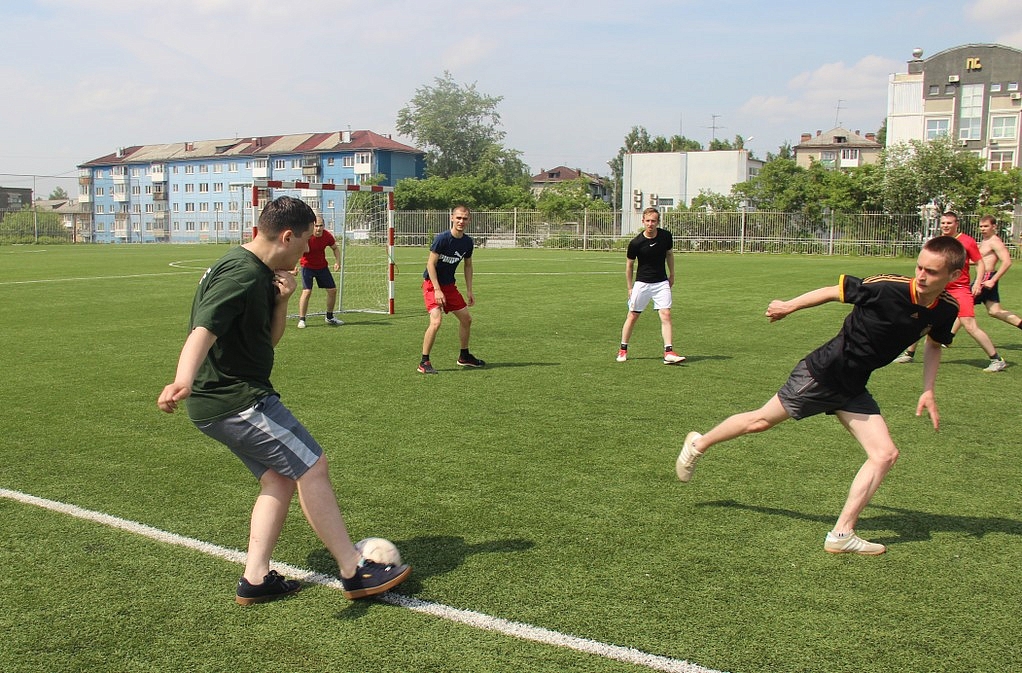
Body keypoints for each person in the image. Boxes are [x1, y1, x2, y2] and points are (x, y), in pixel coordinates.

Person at [157, 196, 410, 604]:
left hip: (224, 400)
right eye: (306, 241)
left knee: (278, 478)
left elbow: (268, 341)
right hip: (235, 399)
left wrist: (283, 301)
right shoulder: (241, 274)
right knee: (313, 465)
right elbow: (204, 329)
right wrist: (182, 379)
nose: (307, 251)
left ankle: (255, 578)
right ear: (287, 236)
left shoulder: (259, 272)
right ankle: (354, 569)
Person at [676, 236, 966, 555]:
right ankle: (698, 444)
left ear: (953, 275)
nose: (921, 276)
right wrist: (788, 306)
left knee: (885, 454)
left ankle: (841, 534)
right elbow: (833, 291)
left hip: (853, 385)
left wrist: (928, 390)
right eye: (919, 267)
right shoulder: (887, 287)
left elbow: (934, 344)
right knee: (760, 422)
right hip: (823, 373)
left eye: (931, 272)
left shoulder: (947, 309)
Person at [893, 212, 1007, 372]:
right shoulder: (937, 242)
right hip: (938, 288)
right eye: (943, 223)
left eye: (949, 223)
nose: (945, 226)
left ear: (956, 224)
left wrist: (977, 283)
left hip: (960, 289)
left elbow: (980, 263)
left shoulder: (967, 241)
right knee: (920, 317)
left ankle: (996, 359)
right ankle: (909, 354)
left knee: (969, 324)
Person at [418, 205, 485, 374]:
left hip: (449, 286)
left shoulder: (467, 242)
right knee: (436, 321)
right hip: (432, 284)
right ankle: (424, 362)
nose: (461, 221)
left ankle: (464, 356)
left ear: (469, 220)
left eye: (465, 218)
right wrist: (437, 289)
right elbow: (430, 264)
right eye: (458, 218)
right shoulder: (442, 239)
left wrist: (469, 290)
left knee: (466, 319)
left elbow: (468, 265)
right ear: (452, 218)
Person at [616, 207, 686, 364]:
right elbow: (629, 265)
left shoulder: (666, 236)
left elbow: (669, 254)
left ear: (658, 222)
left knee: (666, 314)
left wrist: (672, 274)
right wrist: (630, 287)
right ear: (643, 221)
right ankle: (623, 349)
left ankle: (668, 352)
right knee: (633, 316)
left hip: (661, 283)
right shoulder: (636, 243)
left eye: (653, 221)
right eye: (647, 221)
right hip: (642, 284)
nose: (650, 224)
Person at [294, 215, 343, 328]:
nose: (318, 228)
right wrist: (293, 266)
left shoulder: (327, 236)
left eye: (321, 226)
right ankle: (302, 319)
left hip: (322, 267)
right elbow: (296, 250)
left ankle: (329, 317)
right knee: (307, 291)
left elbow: (335, 248)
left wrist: (338, 262)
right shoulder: (306, 236)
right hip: (307, 266)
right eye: (316, 226)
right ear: (312, 226)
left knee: (332, 290)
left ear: (324, 226)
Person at [975, 214, 1022, 332]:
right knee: (994, 311)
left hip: (987, 278)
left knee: (964, 305)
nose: (983, 229)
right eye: (981, 226)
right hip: (983, 277)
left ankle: (948, 336)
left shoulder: (995, 242)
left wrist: (993, 280)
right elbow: (980, 260)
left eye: (986, 226)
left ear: (994, 226)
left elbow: (1007, 262)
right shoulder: (985, 241)